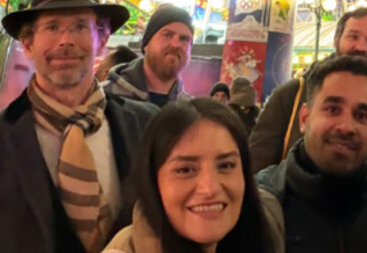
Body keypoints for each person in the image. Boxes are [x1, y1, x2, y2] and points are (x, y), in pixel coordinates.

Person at [0, 0, 158, 253]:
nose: (65, 41)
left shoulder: (149, 127)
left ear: (102, 40)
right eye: (52, 27)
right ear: (28, 44)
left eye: (80, 26)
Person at [255, 55, 367, 253]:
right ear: (304, 118)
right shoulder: (254, 210)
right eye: (332, 109)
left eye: (361, 115)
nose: (346, 127)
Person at [103, 98, 274, 253]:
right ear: (153, 181)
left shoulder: (261, 233)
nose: (210, 188)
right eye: (185, 170)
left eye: (226, 165)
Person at [249, 7, 367, 172]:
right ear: (337, 39)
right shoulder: (292, 94)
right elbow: (257, 165)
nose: (361, 47)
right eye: (353, 37)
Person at [104, 5, 194, 107]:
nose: (175, 44)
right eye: (167, 35)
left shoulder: (193, 113)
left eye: (184, 39)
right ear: (146, 44)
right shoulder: (104, 97)